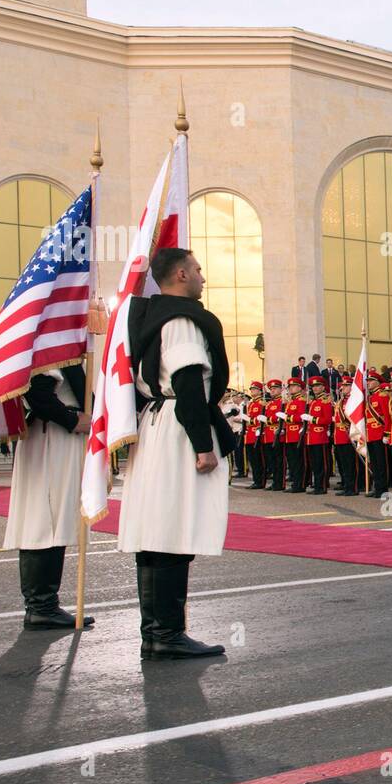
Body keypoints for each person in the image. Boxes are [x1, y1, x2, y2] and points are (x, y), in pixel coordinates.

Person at [118, 247, 234, 660]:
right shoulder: (182, 320)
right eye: (198, 269)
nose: (204, 276)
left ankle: (155, 632)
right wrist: (203, 446)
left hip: (155, 423)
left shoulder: (151, 317)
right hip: (177, 427)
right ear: (181, 275)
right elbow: (188, 382)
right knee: (171, 531)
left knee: (155, 532)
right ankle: (166, 634)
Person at [3, 360, 94, 630]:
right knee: (43, 521)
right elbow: (38, 393)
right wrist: (72, 419)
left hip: (56, 437)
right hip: (52, 436)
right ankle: (41, 606)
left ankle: (43, 604)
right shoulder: (50, 345)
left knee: (50, 519)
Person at [304, 375, 333, 495]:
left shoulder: (325, 401)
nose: (315, 388)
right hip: (311, 437)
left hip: (320, 436)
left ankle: (322, 486)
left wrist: (313, 419)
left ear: (323, 387)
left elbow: (327, 420)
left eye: (317, 386)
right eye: (313, 387)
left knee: (321, 463)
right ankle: (317, 484)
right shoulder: (313, 402)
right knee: (315, 463)